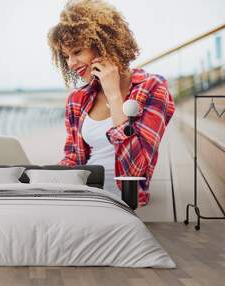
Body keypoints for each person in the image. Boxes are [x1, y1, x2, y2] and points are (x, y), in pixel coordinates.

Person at [47, 0, 175, 206]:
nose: (70, 63)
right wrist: (45, 178)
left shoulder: (152, 88)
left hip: (123, 200)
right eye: (66, 56)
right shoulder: (77, 99)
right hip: (83, 196)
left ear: (104, 45)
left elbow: (136, 171)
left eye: (77, 51)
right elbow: (73, 159)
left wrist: (114, 96)